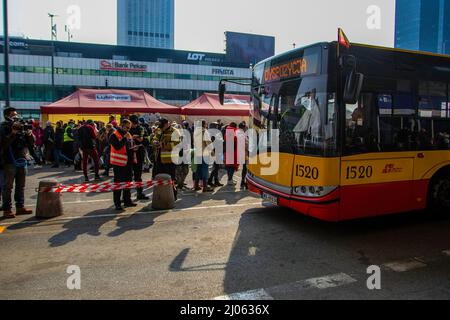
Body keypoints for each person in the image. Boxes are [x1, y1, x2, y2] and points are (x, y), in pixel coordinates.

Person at [0, 107, 34, 218]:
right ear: (7, 116)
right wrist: (13, 132)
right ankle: (7, 209)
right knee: (8, 186)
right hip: (9, 161)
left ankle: (20, 207)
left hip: (21, 159)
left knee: (21, 185)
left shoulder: (21, 127)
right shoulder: (4, 127)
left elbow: (30, 144)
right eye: (13, 115)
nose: (16, 117)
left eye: (16, 114)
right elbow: (4, 144)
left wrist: (29, 135)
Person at [110, 119, 137, 210]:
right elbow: (117, 147)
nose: (128, 130)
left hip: (128, 163)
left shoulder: (128, 135)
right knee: (118, 183)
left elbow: (128, 147)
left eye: (129, 128)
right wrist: (125, 138)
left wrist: (134, 148)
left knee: (127, 182)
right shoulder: (114, 135)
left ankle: (127, 201)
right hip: (118, 163)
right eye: (126, 127)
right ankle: (117, 203)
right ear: (121, 125)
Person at [152, 118, 179, 198]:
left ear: (167, 124)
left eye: (162, 126)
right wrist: (154, 142)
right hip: (159, 159)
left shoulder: (175, 131)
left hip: (170, 160)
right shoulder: (159, 130)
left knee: (171, 179)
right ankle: (161, 196)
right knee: (159, 179)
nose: (161, 128)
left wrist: (163, 145)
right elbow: (154, 138)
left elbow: (176, 144)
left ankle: (173, 196)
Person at [129, 115, 148, 201]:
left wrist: (135, 137)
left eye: (135, 123)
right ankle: (126, 196)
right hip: (129, 155)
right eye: (133, 123)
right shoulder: (127, 129)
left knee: (138, 176)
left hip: (139, 155)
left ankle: (139, 193)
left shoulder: (141, 128)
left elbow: (142, 139)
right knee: (127, 176)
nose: (134, 125)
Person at [193, 120, 214, 193]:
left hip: (197, 152)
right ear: (204, 124)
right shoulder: (204, 131)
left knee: (198, 169)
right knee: (205, 169)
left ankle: (196, 185)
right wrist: (211, 150)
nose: (206, 125)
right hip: (204, 153)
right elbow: (208, 142)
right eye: (206, 123)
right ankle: (205, 187)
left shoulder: (195, 132)